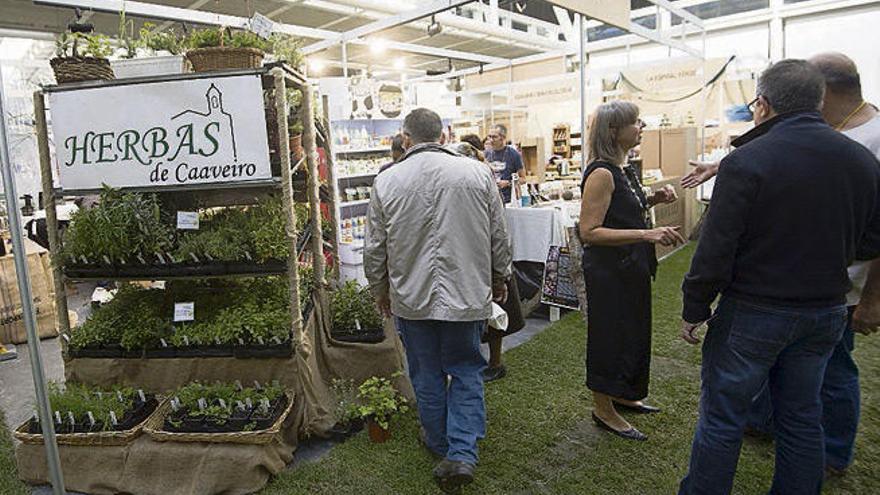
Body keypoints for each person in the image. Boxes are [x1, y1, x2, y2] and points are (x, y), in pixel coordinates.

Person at [678, 59, 880, 495]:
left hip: (755, 309)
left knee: (722, 417)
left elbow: (715, 248)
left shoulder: (747, 160)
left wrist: (694, 307)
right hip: (825, 310)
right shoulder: (861, 159)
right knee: (802, 416)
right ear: (819, 100)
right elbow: (872, 239)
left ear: (764, 106)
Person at [364, 108, 512, 493]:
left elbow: (375, 248)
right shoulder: (477, 173)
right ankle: (461, 451)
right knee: (465, 367)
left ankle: (439, 441)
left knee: (425, 370)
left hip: (411, 297)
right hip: (465, 292)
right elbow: (498, 232)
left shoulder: (387, 181)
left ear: (406, 139)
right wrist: (501, 276)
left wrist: (380, 289)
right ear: (443, 136)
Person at [579, 101, 683, 441]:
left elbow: (621, 210)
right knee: (609, 337)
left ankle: (623, 392)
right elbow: (590, 232)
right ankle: (602, 408)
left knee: (632, 333)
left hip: (631, 267)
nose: (642, 127)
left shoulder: (623, 169)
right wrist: (646, 233)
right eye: (635, 123)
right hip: (609, 272)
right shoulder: (601, 173)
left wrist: (653, 201)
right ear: (614, 131)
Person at [450, 137, 527, 382]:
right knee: (485, 312)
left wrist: (501, 271)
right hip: (476, 258)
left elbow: (498, 230)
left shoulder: (480, 181)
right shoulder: (475, 180)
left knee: (495, 311)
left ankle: (494, 362)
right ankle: (487, 362)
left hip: (482, 258)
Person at [484, 124, 523, 204]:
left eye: (494, 137)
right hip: (490, 200)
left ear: (503, 138)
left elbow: (523, 179)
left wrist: (508, 183)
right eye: (489, 136)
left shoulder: (513, 154)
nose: (491, 140)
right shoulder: (486, 154)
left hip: (508, 200)